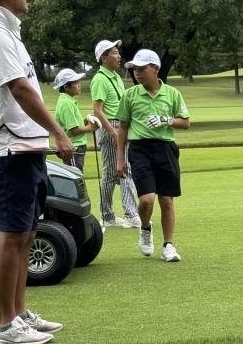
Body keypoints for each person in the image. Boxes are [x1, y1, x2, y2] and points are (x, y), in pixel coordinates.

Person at [0, 0, 73, 344]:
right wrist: (58, 131)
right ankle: (5, 327)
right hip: (7, 149)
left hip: (23, 148)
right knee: (12, 237)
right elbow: (20, 89)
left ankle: (19, 313)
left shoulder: (7, 33)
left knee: (27, 233)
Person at [116, 49, 190, 262]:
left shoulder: (172, 94)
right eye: (134, 70)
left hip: (166, 148)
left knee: (166, 199)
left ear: (155, 68)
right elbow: (123, 127)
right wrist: (120, 159)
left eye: (141, 69)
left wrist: (166, 120)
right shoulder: (130, 95)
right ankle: (145, 228)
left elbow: (185, 122)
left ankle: (168, 245)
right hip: (140, 149)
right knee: (147, 200)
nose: (137, 73)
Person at [90, 39, 141, 228]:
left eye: (118, 53)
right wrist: (112, 132)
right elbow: (97, 110)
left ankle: (108, 215)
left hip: (120, 125)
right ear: (104, 57)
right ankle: (130, 214)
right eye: (114, 53)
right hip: (111, 126)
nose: (119, 56)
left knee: (113, 173)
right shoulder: (100, 79)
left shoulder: (116, 77)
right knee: (122, 169)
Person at [52, 68, 100, 171]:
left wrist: (86, 121)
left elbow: (75, 125)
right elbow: (74, 130)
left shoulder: (68, 101)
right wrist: (91, 127)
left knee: (77, 177)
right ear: (66, 87)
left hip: (76, 148)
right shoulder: (67, 104)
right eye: (76, 82)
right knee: (75, 178)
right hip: (74, 148)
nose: (79, 85)